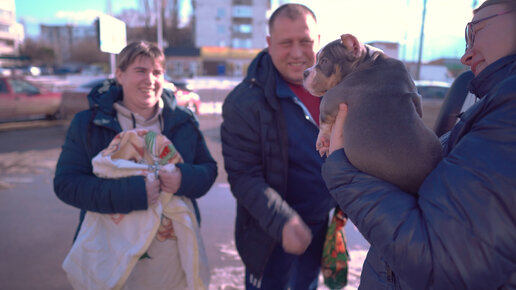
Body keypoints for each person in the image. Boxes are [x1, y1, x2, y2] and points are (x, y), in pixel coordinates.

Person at [321, 0, 516, 288]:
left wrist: (343, 173)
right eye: (465, 36)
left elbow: (441, 263)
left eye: (476, 31)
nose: (466, 55)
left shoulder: (507, 110)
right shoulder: (482, 97)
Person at [54, 41, 217, 288]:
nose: (150, 80)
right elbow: (67, 184)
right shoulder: (89, 123)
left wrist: (184, 178)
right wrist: (133, 193)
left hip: (171, 261)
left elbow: (208, 170)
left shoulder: (183, 121)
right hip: (111, 255)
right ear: (119, 75)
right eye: (140, 71)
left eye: (157, 72)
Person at [221, 3, 337, 289]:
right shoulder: (245, 102)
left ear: (319, 42)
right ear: (270, 44)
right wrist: (284, 221)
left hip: (319, 228)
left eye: (305, 42)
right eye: (286, 43)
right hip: (270, 234)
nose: (297, 53)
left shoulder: (336, 91)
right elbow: (244, 175)